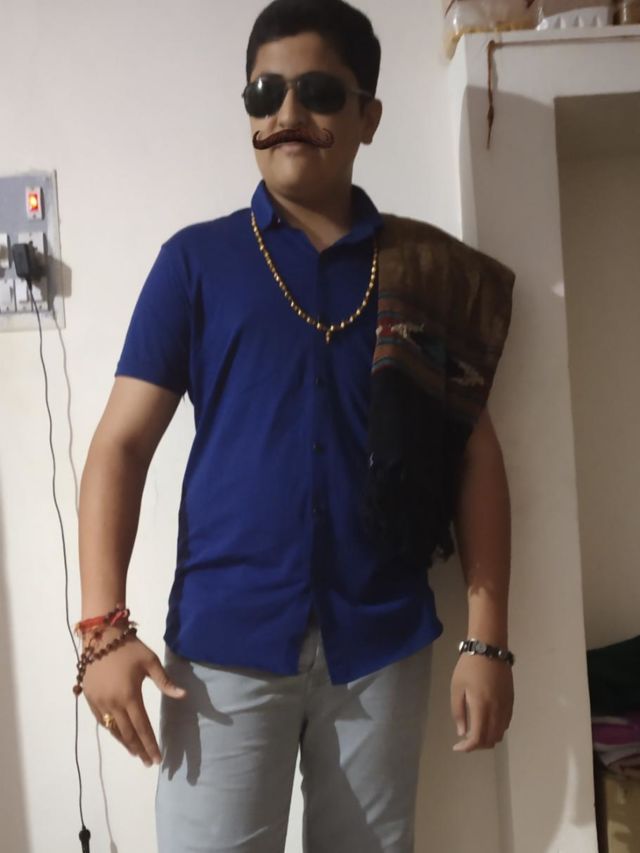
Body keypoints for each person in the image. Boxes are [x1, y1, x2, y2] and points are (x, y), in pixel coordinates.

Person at [77, 1, 515, 851]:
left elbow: (474, 456)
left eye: (317, 91)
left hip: (381, 643)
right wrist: (101, 631)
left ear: (368, 116)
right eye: (264, 91)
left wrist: (488, 639)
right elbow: (119, 447)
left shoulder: (425, 271)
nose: (286, 112)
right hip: (224, 649)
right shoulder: (196, 264)